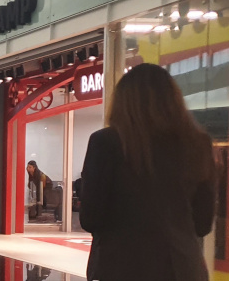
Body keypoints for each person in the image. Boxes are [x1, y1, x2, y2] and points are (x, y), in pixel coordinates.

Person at [80, 64, 215, 281]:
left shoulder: (106, 142)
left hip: (121, 268)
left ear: (123, 102)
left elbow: (91, 218)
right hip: (184, 269)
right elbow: (202, 223)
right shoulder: (198, 144)